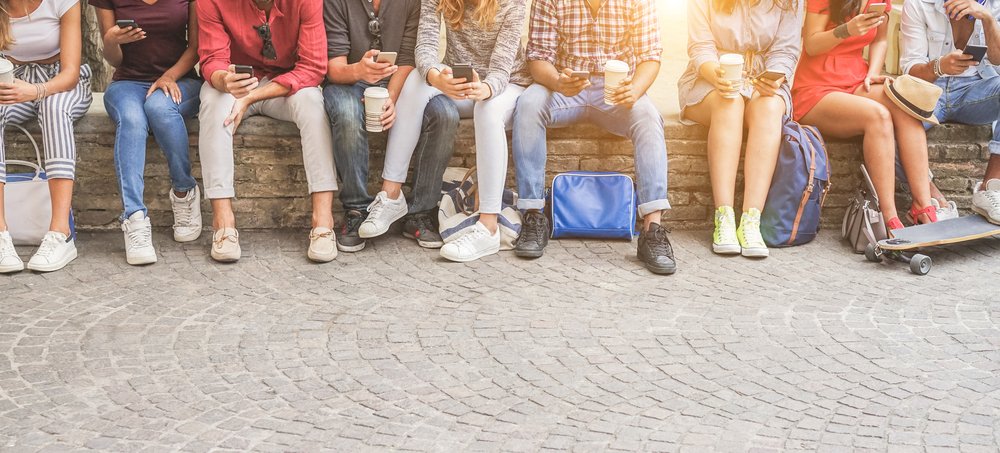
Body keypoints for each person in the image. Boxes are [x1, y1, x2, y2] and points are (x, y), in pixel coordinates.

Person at [511, 0, 675, 274]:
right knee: (528, 104)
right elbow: (538, 58)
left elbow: (650, 56)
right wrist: (557, 81)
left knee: (648, 116)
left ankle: (652, 229)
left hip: (615, 91)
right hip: (564, 85)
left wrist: (634, 90)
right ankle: (533, 215)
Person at [359, 0, 531, 262]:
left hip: (505, 86)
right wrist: (436, 78)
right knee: (416, 79)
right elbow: (426, 48)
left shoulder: (513, 3)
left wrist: (485, 88)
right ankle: (391, 195)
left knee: (487, 109)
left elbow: (501, 69)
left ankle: (488, 227)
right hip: (458, 83)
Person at [197, 0, 338, 263]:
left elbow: (313, 67)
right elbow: (211, 59)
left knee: (313, 104)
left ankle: (322, 222)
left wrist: (252, 97)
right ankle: (223, 223)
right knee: (213, 103)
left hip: (283, 85)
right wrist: (223, 80)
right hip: (234, 85)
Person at [323, 0, 458, 252]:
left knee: (445, 114)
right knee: (347, 112)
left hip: (401, 82)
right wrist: (359, 70)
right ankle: (357, 210)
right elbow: (334, 69)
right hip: (349, 82)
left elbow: (409, 58)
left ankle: (419, 211)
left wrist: (392, 98)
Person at [794, 0, 938, 231]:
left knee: (905, 106)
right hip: (816, 87)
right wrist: (846, 30)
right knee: (878, 115)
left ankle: (923, 206)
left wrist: (872, 73)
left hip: (856, 78)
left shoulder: (879, 1)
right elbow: (811, 44)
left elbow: (880, 39)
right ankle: (888, 217)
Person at [679, 0, 804, 258]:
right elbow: (700, 46)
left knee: (769, 108)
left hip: (762, 81)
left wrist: (777, 77)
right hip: (710, 79)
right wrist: (718, 76)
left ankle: (751, 220)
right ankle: (723, 216)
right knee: (731, 102)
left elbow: (787, 49)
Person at [92, 0, 202, 266]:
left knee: (159, 108)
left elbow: (196, 48)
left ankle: (184, 191)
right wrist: (111, 39)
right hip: (128, 82)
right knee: (131, 118)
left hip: (181, 80)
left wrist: (169, 77)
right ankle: (134, 218)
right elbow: (113, 59)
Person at [0, 0, 92, 274]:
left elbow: (71, 73)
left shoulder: (62, 1)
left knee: (54, 109)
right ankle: (1, 232)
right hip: (12, 80)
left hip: (60, 81)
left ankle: (60, 232)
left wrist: (37, 91)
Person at [900, 0, 1000, 225]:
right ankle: (933, 200)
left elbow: (998, 59)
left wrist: (988, 19)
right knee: (890, 120)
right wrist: (939, 67)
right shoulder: (917, 4)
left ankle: (991, 188)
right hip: (928, 91)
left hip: (977, 91)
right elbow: (910, 69)